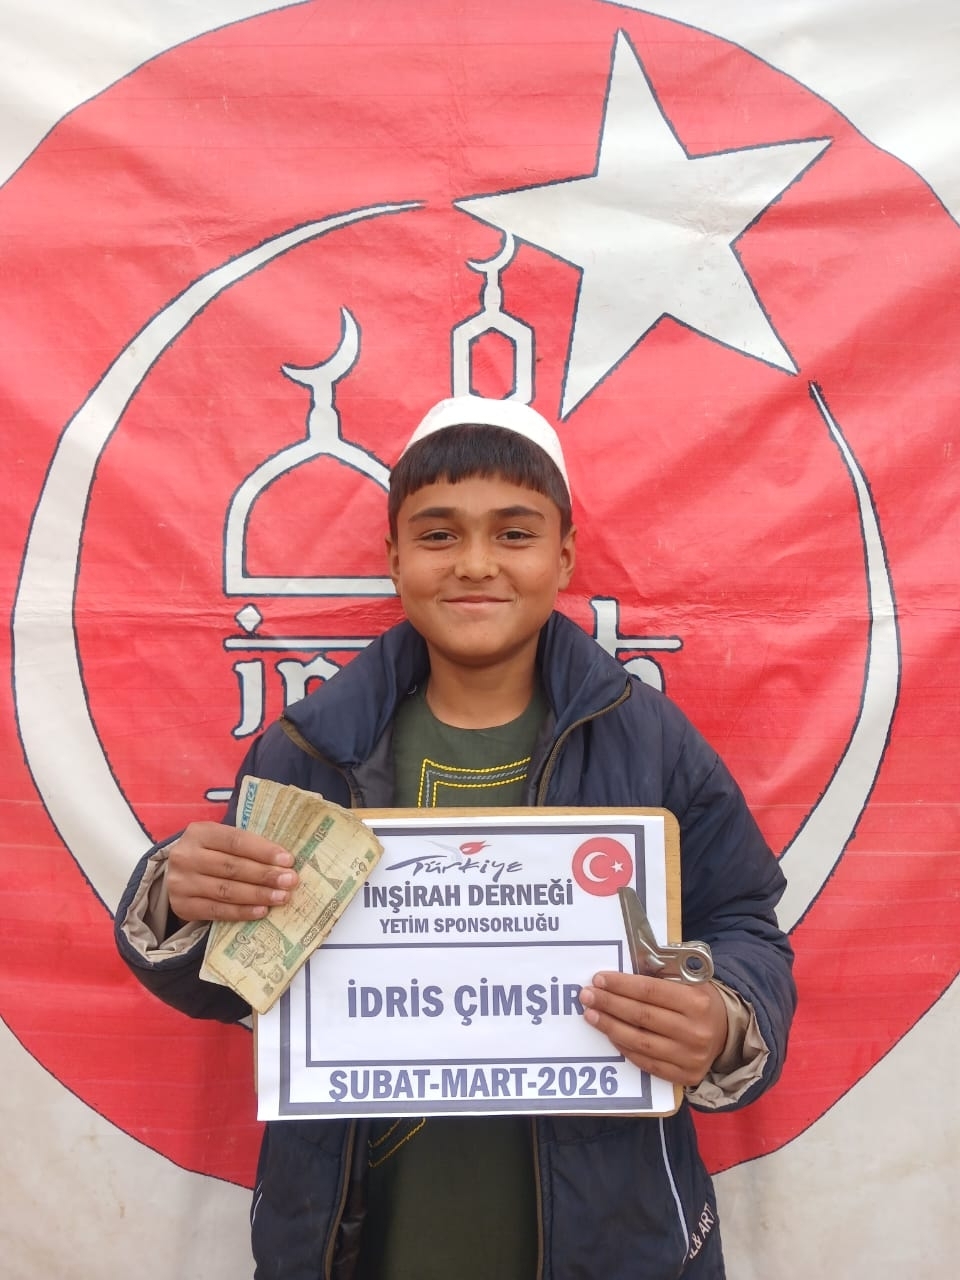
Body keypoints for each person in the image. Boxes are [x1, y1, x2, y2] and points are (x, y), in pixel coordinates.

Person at [115, 394, 796, 1280]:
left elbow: (743, 923)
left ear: (565, 555)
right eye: (439, 535)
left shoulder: (652, 744)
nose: (476, 564)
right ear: (393, 557)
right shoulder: (311, 749)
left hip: (616, 1238)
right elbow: (234, 984)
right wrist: (182, 901)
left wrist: (723, 1019)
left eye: (514, 534)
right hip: (358, 1242)